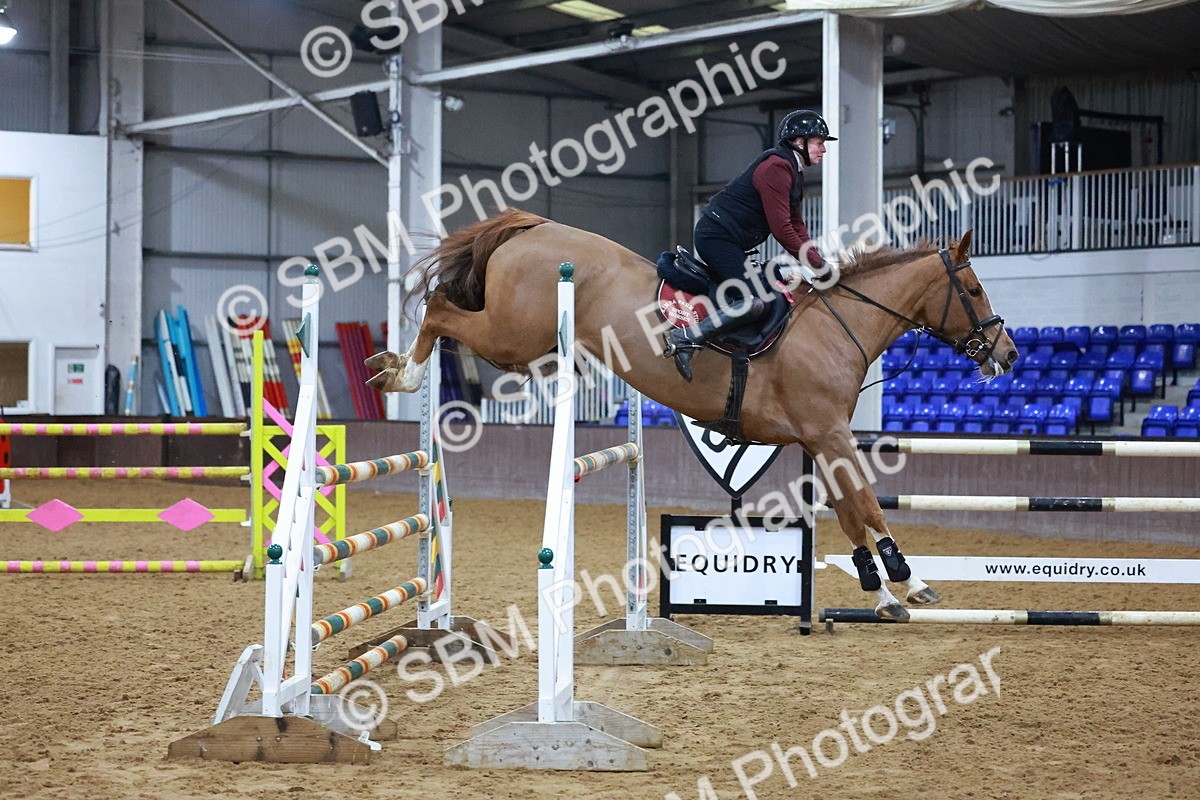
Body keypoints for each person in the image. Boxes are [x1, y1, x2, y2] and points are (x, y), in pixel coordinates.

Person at [662, 109, 836, 381]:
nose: (823, 149)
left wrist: (819, 262)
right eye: (819, 142)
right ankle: (685, 337)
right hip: (716, 237)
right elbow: (782, 230)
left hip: (728, 240)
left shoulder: (794, 172)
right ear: (799, 142)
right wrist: (819, 266)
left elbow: (797, 225)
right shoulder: (777, 168)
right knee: (754, 302)